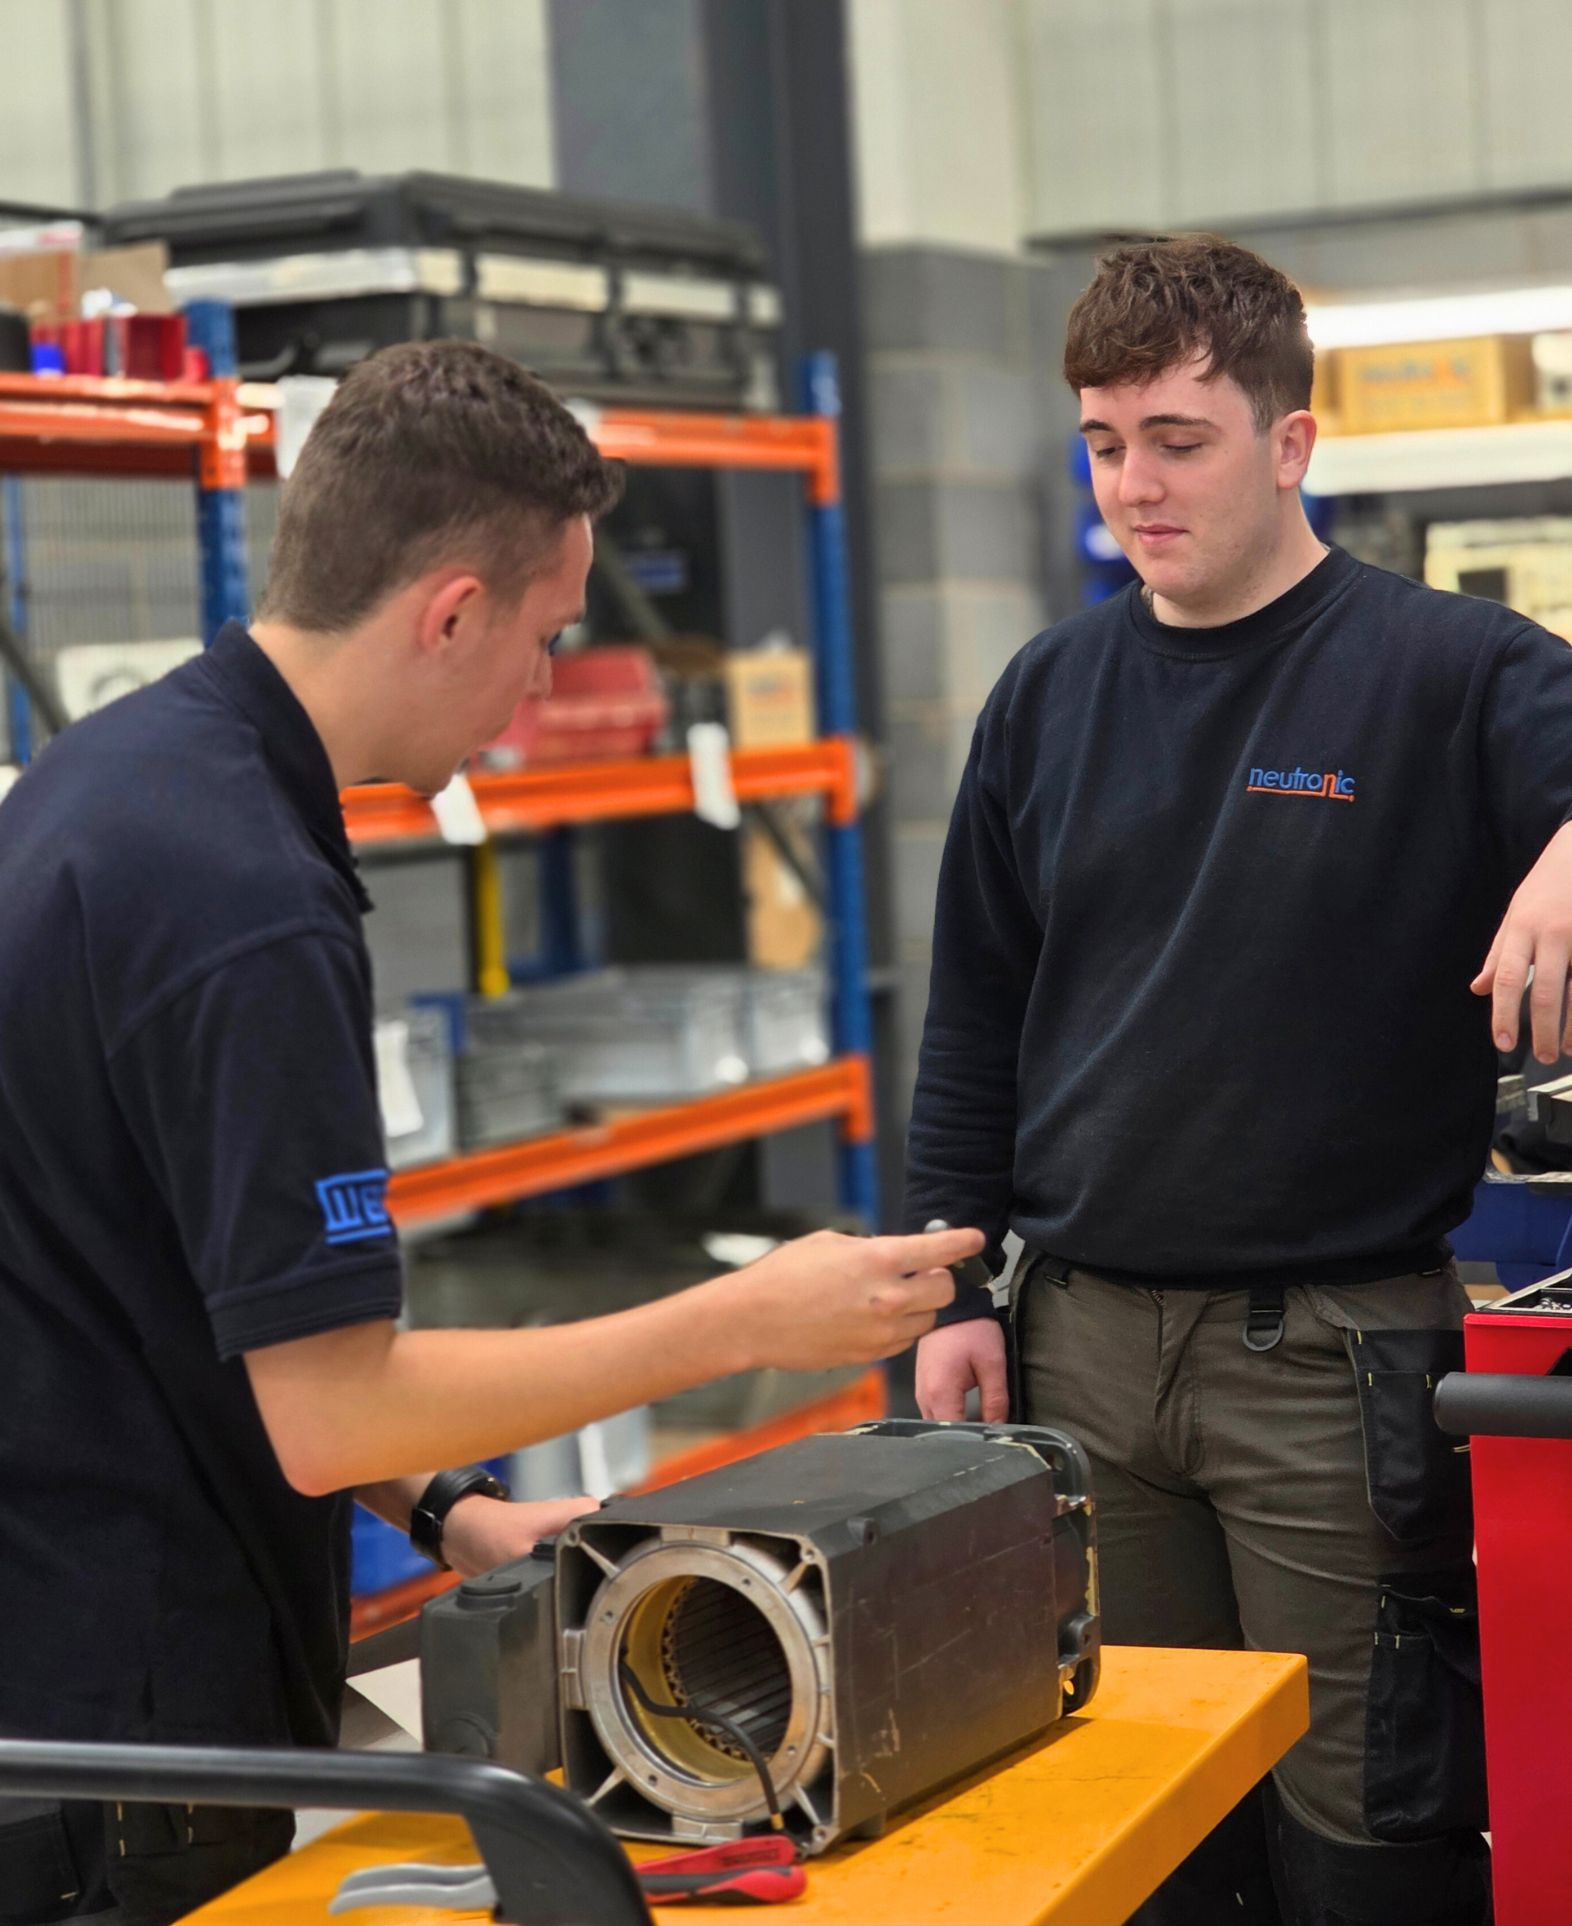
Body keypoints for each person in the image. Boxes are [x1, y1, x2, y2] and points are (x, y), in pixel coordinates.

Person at [0, 339, 982, 1926]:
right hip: (116, 1748)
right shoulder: (243, 903)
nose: (539, 692)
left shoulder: (119, 777)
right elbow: (326, 1409)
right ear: (449, 609)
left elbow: (179, 1273)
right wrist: (745, 1318)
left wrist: (442, 1504)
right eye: (540, 639)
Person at [904, 234, 1572, 1926]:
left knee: (1365, 1831)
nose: (1136, 482)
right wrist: (949, 1281)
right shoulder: (1047, 696)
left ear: (1290, 442)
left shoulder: (1453, 670)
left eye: (1179, 439)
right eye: (1105, 441)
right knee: (1139, 1825)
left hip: (1331, 1360)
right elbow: (977, 1012)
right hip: (1080, 1349)